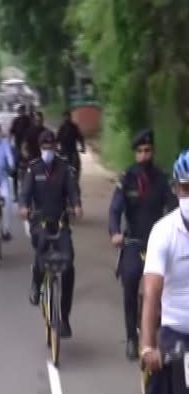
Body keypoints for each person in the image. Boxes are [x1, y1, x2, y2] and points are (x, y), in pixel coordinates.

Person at [108, 129, 178, 360]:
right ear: (135, 153)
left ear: (153, 152)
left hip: (159, 243)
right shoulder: (127, 177)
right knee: (130, 281)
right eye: (140, 151)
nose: (144, 155)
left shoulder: (162, 178)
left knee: (168, 286)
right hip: (133, 242)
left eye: (148, 150)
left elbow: (173, 207)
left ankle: (166, 330)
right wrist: (115, 231)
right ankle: (131, 337)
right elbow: (115, 208)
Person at [21, 130, 82, 338]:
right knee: (41, 249)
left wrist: (76, 205)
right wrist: (23, 207)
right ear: (40, 148)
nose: (48, 151)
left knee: (68, 266)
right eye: (45, 148)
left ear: (56, 147)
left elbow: (73, 190)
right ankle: (36, 283)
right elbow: (25, 193)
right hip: (40, 221)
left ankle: (64, 318)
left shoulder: (64, 169)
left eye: (51, 147)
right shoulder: (33, 169)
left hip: (61, 221)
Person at [140, 149, 189, 394]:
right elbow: (151, 293)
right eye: (187, 188)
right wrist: (148, 348)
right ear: (177, 190)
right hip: (174, 334)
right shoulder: (163, 232)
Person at [9, 104, 32, 202]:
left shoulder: (29, 121)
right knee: (14, 170)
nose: (21, 112)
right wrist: (9, 144)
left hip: (28, 148)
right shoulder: (16, 121)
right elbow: (11, 133)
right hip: (18, 148)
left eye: (22, 110)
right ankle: (15, 193)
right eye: (19, 111)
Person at [56, 110, 86, 180]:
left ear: (70, 117)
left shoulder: (74, 127)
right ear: (63, 118)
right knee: (60, 168)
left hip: (73, 151)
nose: (67, 118)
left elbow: (80, 138)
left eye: (68, 116)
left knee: (76, 166)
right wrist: (56, 149)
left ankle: (75, 181)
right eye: (65, 117)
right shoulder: (61, 128)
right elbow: (56, 140)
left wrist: (83, 147)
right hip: (63, 152)